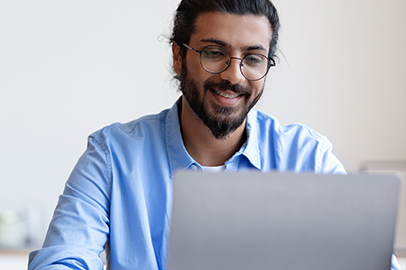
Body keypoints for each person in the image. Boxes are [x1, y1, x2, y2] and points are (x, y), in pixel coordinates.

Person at [28, 0, 402, 269]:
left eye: (253, 58)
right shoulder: (112, 156)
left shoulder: (308, 157)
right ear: (178, 56)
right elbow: (60, 261)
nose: (234, 76)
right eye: (213, 52)